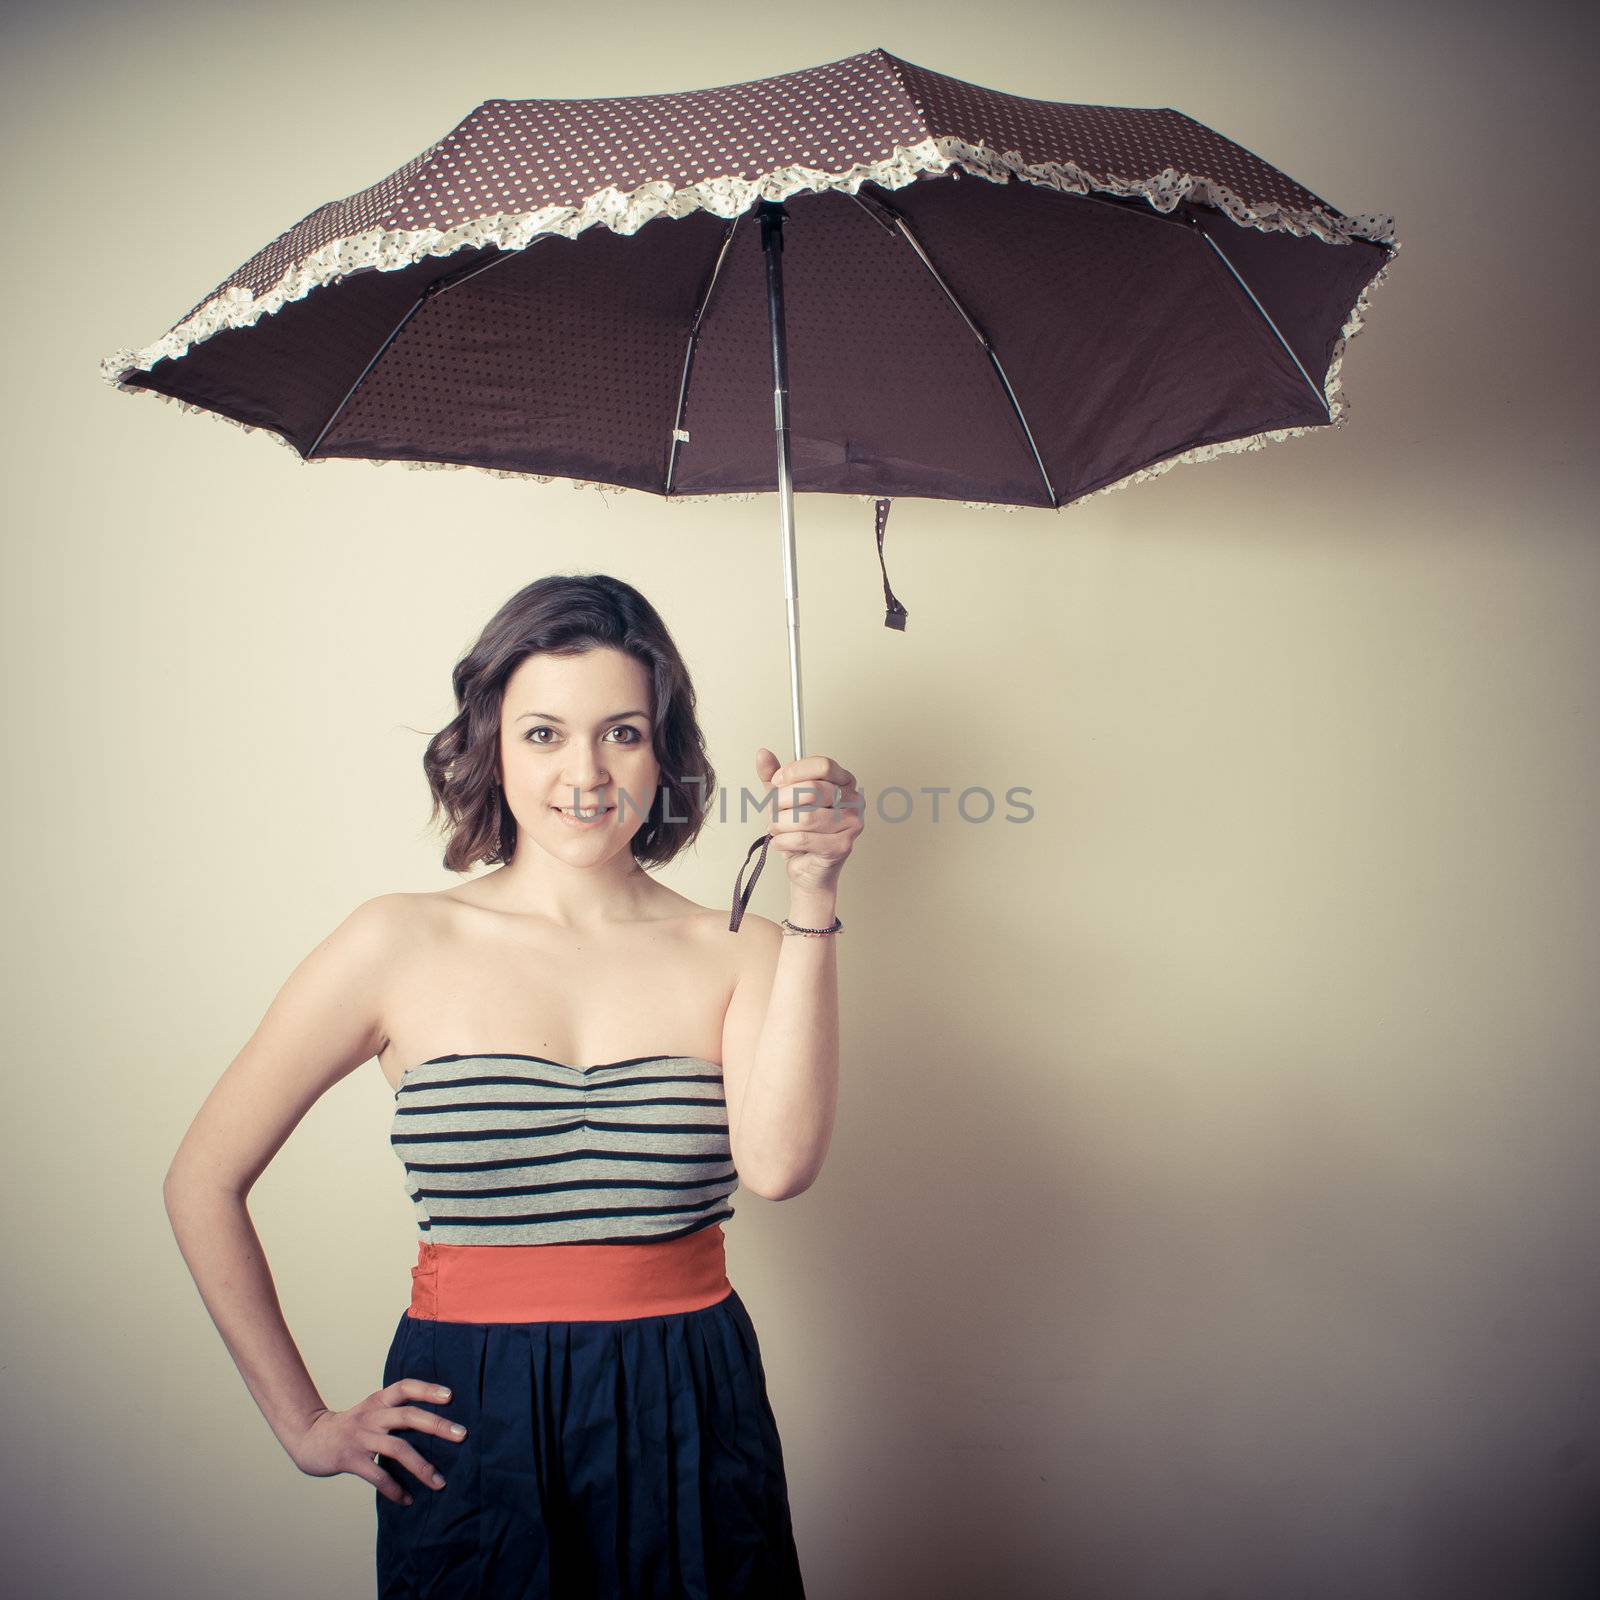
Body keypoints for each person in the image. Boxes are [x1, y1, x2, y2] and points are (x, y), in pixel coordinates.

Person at [161, 573, 864, 1598]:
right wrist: (306, 1424)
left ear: (665, 749)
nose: (585, 771)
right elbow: (200, 1180)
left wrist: (813, 897)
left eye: (622, 731)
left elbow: (780, 1167)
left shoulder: (742, 947)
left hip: (690, 1397)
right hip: (470, 1412)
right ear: (491, 741)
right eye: (544, 733)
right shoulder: (394, 941)